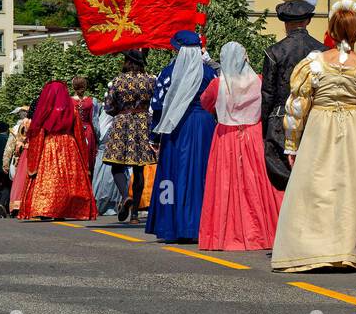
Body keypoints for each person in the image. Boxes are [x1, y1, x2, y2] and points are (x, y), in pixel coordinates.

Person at [271, 1, 356, 272]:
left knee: (316, 187)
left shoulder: (314, 64)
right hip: (355, 128)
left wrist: (291, 143)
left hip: (319, 127)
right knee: (351, 189)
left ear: (331, 31)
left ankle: (313, 249)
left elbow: (297, 106)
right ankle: (348, 249)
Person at [198, 41, 282, 251]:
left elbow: (205, 103)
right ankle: (261, 232)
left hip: (226, 136)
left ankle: (224, 233)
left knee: (226, 184)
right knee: (256, 185)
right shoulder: (259, 82)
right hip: (253, 134)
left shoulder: (218, 85)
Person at [147, 30, 217, 243]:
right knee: (200, 174)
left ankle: (171, 224)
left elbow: (158, 106)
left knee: (172, 175)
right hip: (204, 126)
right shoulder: (209, 74)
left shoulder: (168, 73)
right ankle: (199, 225)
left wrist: (154, 137)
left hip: (175, 127)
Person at [261, 0, 324, 193]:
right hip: (313, 119)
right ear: (308, 21)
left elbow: (268, 93)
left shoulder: (274, 52)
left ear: (285, 23)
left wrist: (265, 126)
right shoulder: (323, 51)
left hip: (281, 121)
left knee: (285, 184)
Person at [23, 81, 97, 221]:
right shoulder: (72, 110)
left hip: (49, 145)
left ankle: (46, 208)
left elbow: (38, 135)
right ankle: (64, 208)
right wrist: (84, 159)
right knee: (68, 180)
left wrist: (34, 159)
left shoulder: (45, 112)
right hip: (70, 146)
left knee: (49, 178)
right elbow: (79, 135)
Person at [101, 50, 156, 224]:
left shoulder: (118, 81)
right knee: (139, 169)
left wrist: (121, 110)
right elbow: (157, 102)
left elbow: (109, 107)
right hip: (142, 123)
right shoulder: (151, 79)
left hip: (122, 123)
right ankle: (134, 216)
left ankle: (126, 195)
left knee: (116, 165)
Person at [6, 110, 31, 218]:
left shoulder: (19, 126)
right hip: (34, 151)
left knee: (20, 180)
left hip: (23, 154)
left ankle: (17, 204)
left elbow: (11, 146)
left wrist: (6, 162)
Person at [70, 76, 98, 169]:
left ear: (73, 87)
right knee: (89, 157)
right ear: (85, 86)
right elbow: (94, 120)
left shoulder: (69, 101)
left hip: (74, 132)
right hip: (88, 131)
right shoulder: (92, 101)